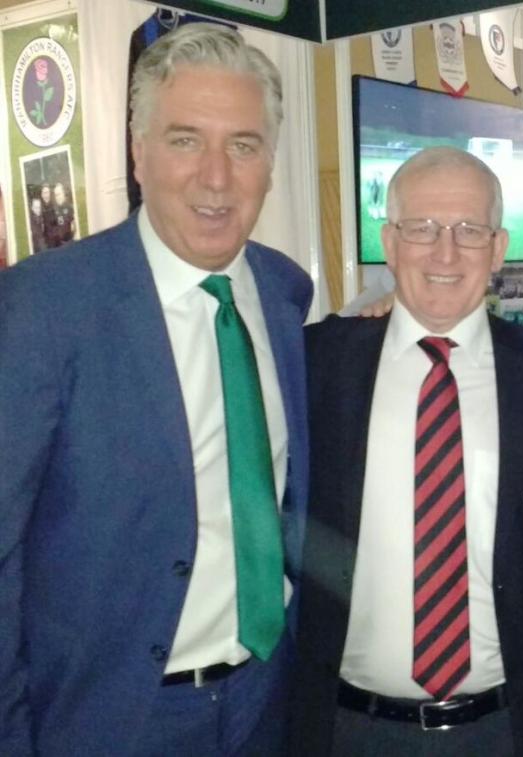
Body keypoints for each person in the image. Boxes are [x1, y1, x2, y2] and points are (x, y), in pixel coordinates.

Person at [0, 23, 312, 756]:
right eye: (183, 140)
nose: (215, 176)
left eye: (242, 144)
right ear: (138, 154)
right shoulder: (44, 307)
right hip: (109, 717)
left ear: (269, 164)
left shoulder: (283, 292)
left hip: (269, 696)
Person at [290, 146, 523, 756]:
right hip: (348, 730)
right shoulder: (317, 364)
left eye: (469, 230)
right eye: (421, 228)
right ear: (389, 242)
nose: (445, 253)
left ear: (499, 248)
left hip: (511, 729)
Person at [43, 181, 75, 247]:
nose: (57, 197)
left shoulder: (70, 208)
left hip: (69, 243)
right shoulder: (53, 210)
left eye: (59, 194)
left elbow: (73, 227)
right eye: (56, 195)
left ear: (63, 194)